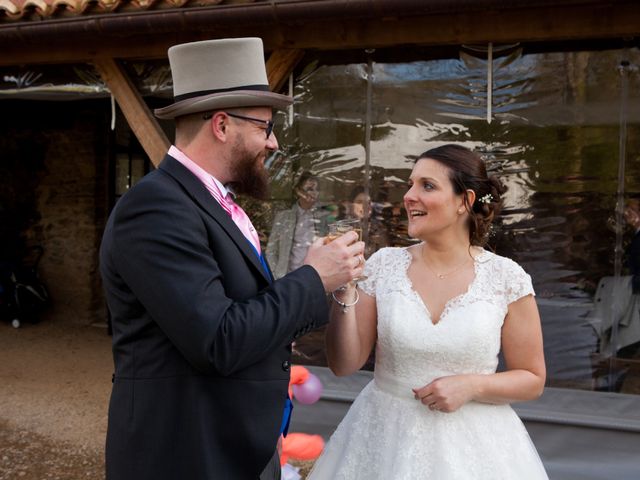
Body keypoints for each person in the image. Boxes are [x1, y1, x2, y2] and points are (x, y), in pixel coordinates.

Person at [99, 37, 365, 480]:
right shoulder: (156, 208)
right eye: (264, 127)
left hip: (234, 446)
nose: (274, 143)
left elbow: (248, 313)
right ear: (221, 125)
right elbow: (218, 340)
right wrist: (313, 278)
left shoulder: (211, 203)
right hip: (185, 455)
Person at [308, 144, 548, 479]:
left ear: (464, 201)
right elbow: (344, 365)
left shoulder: (507, 278)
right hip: (384, 440)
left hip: (477, 449)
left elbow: (532, 379)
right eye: (411, 184)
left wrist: (472, 386)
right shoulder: (383, 266)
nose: (409, 196)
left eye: (427, 186)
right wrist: (344, 291)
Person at [266, 171, 329, 279]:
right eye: (310, 189)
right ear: (298, 191)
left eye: (317, 190)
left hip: (315, 278)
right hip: (287, 279)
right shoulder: (283, 217)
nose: (314, 193)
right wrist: (276, 275)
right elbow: (271, 250)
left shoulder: (323, 218)